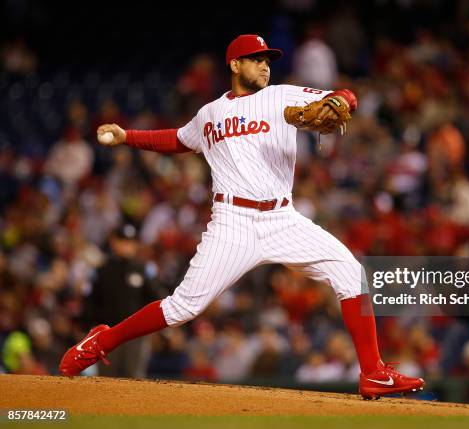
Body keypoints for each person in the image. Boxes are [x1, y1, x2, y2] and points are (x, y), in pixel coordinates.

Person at [59, 34, 425, 399]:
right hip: (233, 221)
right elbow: (176, 140)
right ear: (235, 65)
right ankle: (101, 341)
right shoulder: (210, 114)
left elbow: (345, 96)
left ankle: (373, 372)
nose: (265, 65)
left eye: (268, 59)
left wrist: (342, 100)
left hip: (283, 219)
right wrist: (127, 136)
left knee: (350, 271)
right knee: (184, 307)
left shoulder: (281, 96)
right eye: (256, 58)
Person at [82, 223, 163, 378]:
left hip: (136, 335)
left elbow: (156, 298)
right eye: (123, 241)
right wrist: (88, 329)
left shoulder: (143, 269)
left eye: (131, 242)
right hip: (107, 333)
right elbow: (90, 302)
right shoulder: (102, 270)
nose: (127, 246)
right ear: (114, 242)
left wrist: (155, 330)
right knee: (106, 379)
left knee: (136, 377)